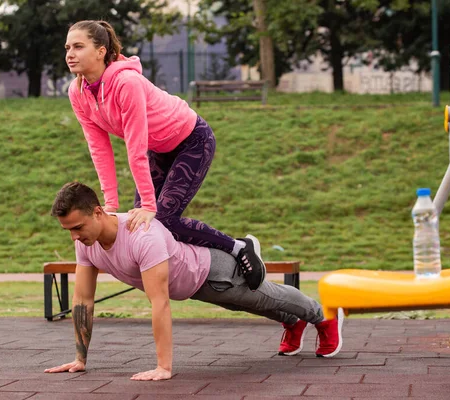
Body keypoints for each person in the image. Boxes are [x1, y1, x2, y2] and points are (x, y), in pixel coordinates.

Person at [44, 182, 344, 381]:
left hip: (213, 271)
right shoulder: (85, 242)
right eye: (68, 230)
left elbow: (159, 302)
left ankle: (324, 316)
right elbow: (83, 299)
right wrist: (79, 359)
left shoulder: (140, 235)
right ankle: (293, 321)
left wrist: (164, 367)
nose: (74, 236)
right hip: (192, 286)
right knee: (247, 306)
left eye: (78, 227)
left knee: (265, 297)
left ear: (99, 212)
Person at [64, 20, 265, 290]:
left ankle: (240, 247)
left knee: (163, 219)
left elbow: (135, 146)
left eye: (78, 46)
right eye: (67, 47)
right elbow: (98, 147)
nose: (70, 54)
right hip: (158, 148)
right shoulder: (77, 92)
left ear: (101, 51)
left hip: (192, 140)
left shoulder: (127, 82)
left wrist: (149, 204)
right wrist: (110, 203)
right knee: (143, 227)